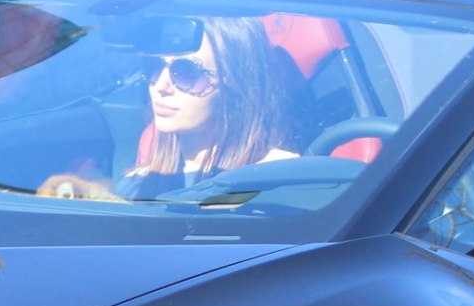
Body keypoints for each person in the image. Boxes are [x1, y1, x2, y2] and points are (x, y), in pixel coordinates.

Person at [39, 14, 297, 201]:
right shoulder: (138, 183)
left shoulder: (283, 178)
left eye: (185, 72)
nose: (160, 85)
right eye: (153, 67)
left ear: (236, 82)